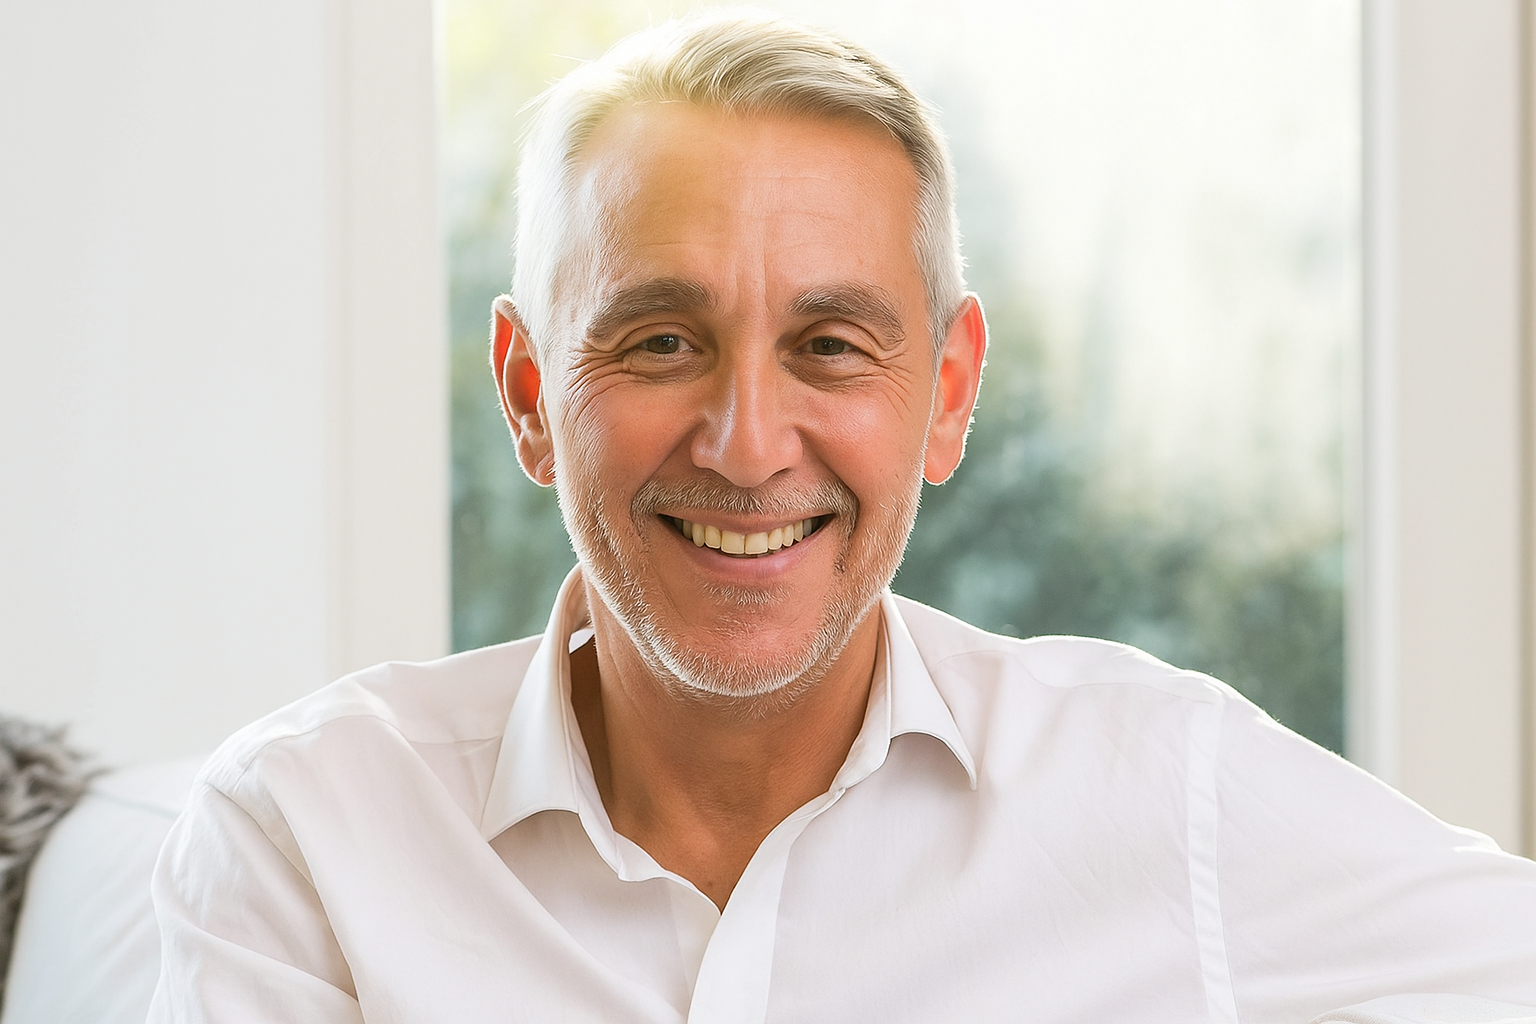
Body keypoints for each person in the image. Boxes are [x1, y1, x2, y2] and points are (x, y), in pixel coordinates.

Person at [148, 10, 1536, 1023]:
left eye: (829, 347)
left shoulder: (1165, 791)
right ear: (525, 393)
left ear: (947, 393)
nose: (748, 446)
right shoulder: (309, 834)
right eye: (660, 343)